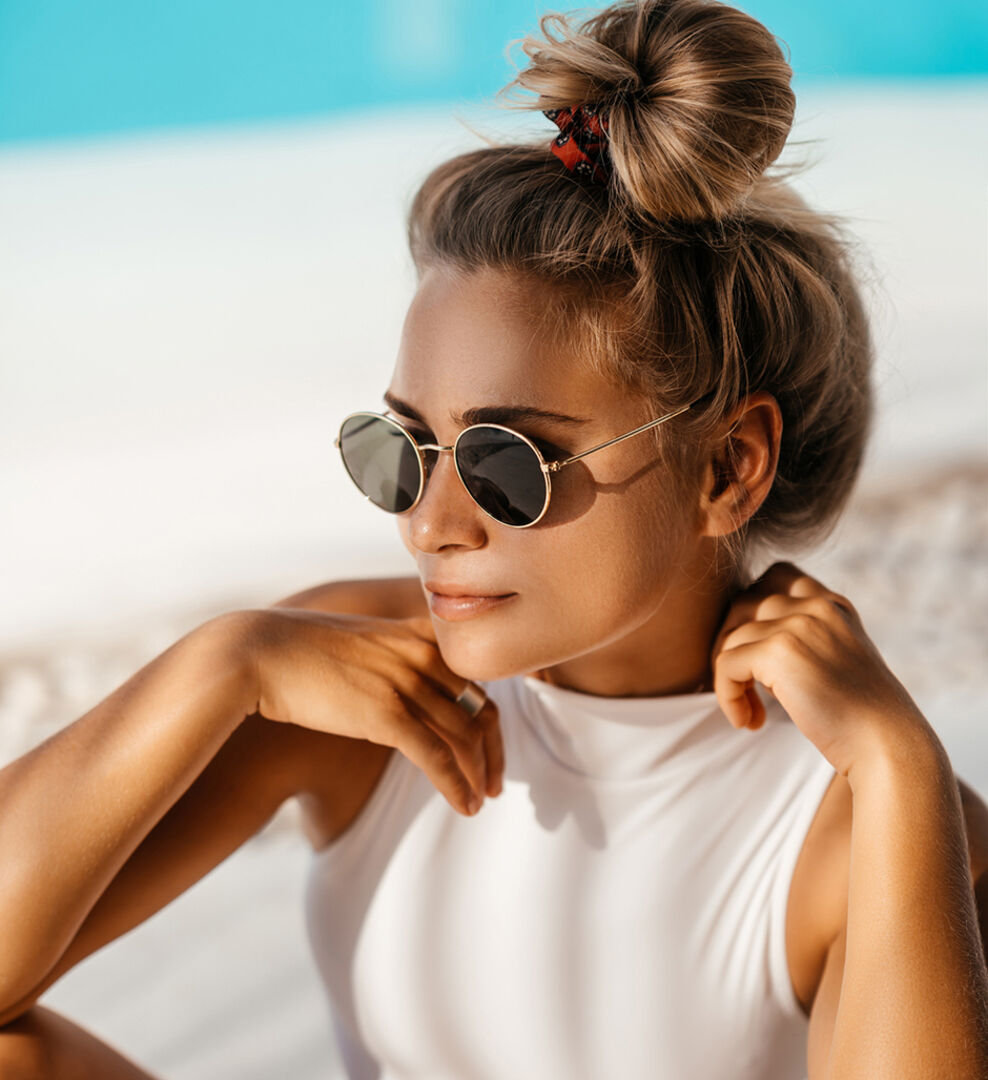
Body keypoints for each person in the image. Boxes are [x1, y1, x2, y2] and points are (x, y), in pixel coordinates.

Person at [1, 1, 987, 1077]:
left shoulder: (856, 816)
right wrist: (220, 664)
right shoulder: (346, 683)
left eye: (506, 464)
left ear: (726, 467)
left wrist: (900, 769)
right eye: (403, 447)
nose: (427, 524)